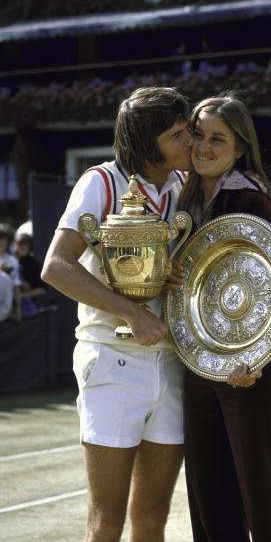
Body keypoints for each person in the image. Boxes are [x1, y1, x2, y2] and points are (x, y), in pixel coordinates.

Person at [41, 86, 191, 542]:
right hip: (111, 360)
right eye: (178, 134)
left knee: (152, 515)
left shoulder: (184, 186)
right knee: (107, 519)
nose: (190, 141)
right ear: (149, 144)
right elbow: (56, 266)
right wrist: (134, 313)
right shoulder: (100, 182)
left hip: (172, 363)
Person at [178, 94, 271, 541]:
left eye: (218, 139)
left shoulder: (248, 197)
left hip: (250, 374)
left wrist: (257, 359)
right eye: (198, 136)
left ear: (240, 148)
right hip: (199, 370)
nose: (204, 147)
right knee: (210, 503)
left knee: (264, 504)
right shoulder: (188, 197)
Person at [14, 233, 46, 317]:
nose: (22, 247)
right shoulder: (10, 261)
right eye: (20, 244)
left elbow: (42, 290)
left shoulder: (35, 265)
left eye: (25, 244)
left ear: (30, 247)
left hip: (28, 308)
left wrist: (23, 295)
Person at [0, 223, 21, 321]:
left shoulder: (12, 260)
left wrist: (18, 308)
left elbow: (16, 285)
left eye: (4, 239)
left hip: (7, 304)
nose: (2, 242)